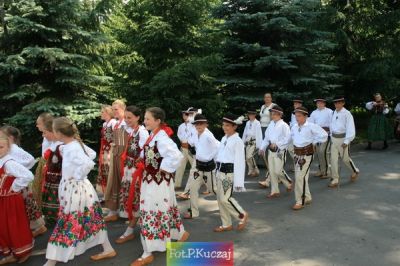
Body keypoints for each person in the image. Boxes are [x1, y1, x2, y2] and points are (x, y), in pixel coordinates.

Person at [44, 117, 116, 266]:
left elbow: (88, 163)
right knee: (91, 219)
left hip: (76, 190)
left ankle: (51, 261)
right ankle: (108, 248)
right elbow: (92, 154)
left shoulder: (72, 147)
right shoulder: (72, 145)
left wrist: (76, 176)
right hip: (80, 189)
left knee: (68, 223)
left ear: (58, 132)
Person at [131, 107, 189, 266]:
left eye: (148, 119)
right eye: (145, 118)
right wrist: (143, 161)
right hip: (153, 181)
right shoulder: (153, 135)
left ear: (158, 121)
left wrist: (162, 169)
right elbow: (152, 154)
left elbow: (177, 156)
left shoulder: (162, 137)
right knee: (165, 207)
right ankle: (179, 233)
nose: (145, 121)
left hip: (157, 182)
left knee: (150, 210)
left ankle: (148, 251)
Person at [0, 126, 47, 238]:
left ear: (10, 138)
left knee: (26, 206)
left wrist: (20, 168)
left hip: (18, 184)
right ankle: (37, 227)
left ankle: (32, 230)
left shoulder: (14, 148)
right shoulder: (6, 148)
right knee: (27, 206)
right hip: (15, 182)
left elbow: (30, 159)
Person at [115, 106, 149, 244]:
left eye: (130, 117)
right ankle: (138, 223)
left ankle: (130, 229)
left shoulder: (142, 132)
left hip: (137, 171)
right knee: (131, 197)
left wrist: (137, 166)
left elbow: (145, 151)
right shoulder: (132, 131)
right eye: (126, 117)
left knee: (135, 198)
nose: (127, 120)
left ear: (137, 117)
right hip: (129, 169)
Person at [0, 135, 34, 264]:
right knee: (3, 227)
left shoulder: (10, 163)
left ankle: (22, 250)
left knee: (14, 226)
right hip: (3, 200)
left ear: (8, 148)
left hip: (11, 201)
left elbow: (28, 176)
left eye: (1, 147)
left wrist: (14, 187)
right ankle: (11, 251)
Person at [214, 114, 249, 233]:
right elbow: (219, 155)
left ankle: (241, 215)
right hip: (220, 172)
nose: (224, 127)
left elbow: (240, 162)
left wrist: (239, 181)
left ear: (235, 126)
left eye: (228, 125)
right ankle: (226, 224)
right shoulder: (224, 138)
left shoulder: (238, 141)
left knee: (225, 199)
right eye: (223, 125)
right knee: (220, 199)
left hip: (229, 174)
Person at [183, 114, 219, 219]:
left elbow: (218, 147)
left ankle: (226, 203)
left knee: (213, 189)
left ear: (206, 125)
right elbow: (191, 142)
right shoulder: (195, 133)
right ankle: (193, 212)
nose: (198, 126)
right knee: (193, 188)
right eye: (196, 124)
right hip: (198, 166)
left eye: (201, 124)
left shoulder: (208, 135)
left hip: (208, 167)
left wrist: (210, 158)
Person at [291, 107, 328, 210]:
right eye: (296, 116)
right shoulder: (294, 127)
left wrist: (314, 142)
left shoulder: (311, 126)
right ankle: (307, 197)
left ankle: (300, 201)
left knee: (299, 178)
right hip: (296, 155)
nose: (297, 118)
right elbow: (289, 138)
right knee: (301, 177)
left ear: (305, 116)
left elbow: (324, 135)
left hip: (307, 155)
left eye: (299, 116)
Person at [259, 106, 292, 198]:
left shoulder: (284, 125)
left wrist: (277, 144)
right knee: (272, 172)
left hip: (280, 151)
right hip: (271, 151)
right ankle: (275, 191)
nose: (272, 115)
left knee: (278, 171)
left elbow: (288, 138)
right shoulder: (271, 124)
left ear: (280, 115)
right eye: (271, 113)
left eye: (274, 114)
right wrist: (262, 148)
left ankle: (288, 182)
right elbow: (266, 138)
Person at [104, 99, 128, 222]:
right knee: (114, 181)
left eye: (116, 109)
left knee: (124, 182)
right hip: (116, 154)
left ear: (123, 109)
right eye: (113, 109)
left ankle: (126, 211)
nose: (114, 112)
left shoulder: (127, 123)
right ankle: (115, 210)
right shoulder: (117, 123)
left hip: (124, 156)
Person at [329, 96, 360, 188]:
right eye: (335, 103)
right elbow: (332, 125)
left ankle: (355, 170)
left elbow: (350, 128)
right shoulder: (333, 112)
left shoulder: (347, 114)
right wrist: (331, 135)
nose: (337, 104)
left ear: (343, 103)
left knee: (345, 159)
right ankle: (335, 179)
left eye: (339, 102)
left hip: (343, 139)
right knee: (333, 159)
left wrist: (347, 141)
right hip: (334, 139)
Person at [40, 116, 64, 225]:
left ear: (52, 132)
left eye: (45, 133)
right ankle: (52, 218)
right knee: (50, 197)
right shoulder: (54, 144)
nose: (43, 135)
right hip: (51, 176)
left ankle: (60, 218)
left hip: (58, 178)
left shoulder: (61, 146)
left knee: (57, 198)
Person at [309, 98, 333, 178]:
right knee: (319, 153)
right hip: (317, 136)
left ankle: (326, 172)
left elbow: (332, 123)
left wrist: (329, 131)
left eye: (321, 103)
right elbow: (311, 124)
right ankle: (321, 170)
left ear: (324, 103)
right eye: (318, 103)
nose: (319, 104)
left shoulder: (329, 111)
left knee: (324, 152)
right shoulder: (314, 113)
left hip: (326, 134)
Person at [34, 113, 54, 207]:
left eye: (39, 123)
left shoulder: (52, 135)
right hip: (44, 162)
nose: (37, 125)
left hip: (49, 164)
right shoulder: (46, 135)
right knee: (39, 187)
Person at [175, 108, 197, 192]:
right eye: (184, 114)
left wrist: (190, 143)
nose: (185, 116)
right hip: (183, 148)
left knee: (196, 167)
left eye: (187, 114)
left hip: (191, 149)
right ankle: (177, 183)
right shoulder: (181, 126)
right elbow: (179, 135)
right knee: (180, 165)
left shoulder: (194, 125)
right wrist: (183, 142)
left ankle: (204, 183)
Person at [97, 105, 117, 196]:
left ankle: (111, 192)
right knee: (104, 169)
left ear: (108, 113)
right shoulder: (105, 124)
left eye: (102, 112)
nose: (101, 114)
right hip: (104, 150)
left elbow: (116, 136)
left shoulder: (113, 122)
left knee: (109, 169)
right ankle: (105, 192)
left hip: (110, 150)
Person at [258, 93, 275, 188]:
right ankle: (269, 170)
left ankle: (271, 170)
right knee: (262, 147)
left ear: (271, 98)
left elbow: (274, 116)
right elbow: (261, 116)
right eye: (265, 97)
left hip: (269, 127)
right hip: (261, 127)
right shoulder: (262, 106)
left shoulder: (273, 106)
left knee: (269, 149)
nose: (267, 98)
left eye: (268, 97)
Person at [242, 110, 263, 177]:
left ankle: (256, 169)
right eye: (249, 115)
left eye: (252, 115)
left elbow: (259, 134)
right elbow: (245, 132)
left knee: (250, 156)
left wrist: (259, 145)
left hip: (253, 141)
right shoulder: (248, 123)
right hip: (247, 141)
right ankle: (250, 169)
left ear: (254, 115)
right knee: (247, 157)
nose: (250, 116)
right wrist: (243, 141)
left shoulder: (257, 123)